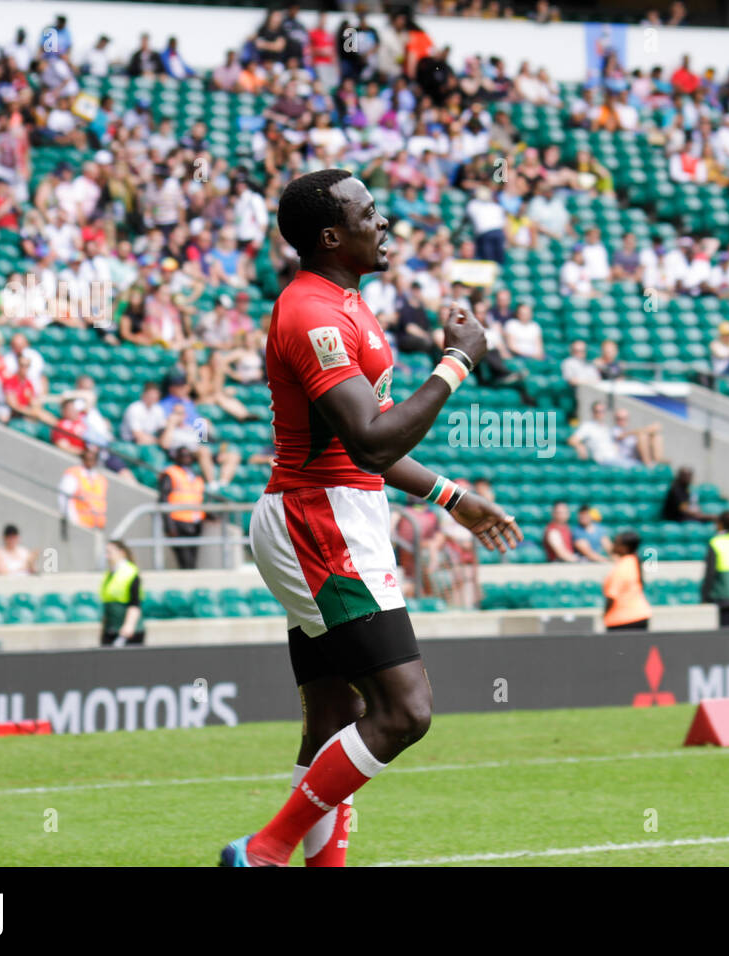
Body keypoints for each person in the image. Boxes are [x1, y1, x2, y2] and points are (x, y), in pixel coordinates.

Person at [225, 169, 519, 868]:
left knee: (334, 715)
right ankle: (264, 851)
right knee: (405, 710)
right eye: (369, 212)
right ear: (331, 234)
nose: (383, 223)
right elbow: (370, 440)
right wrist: (455, 364)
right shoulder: (312, 313)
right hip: (318, 520)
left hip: (332, 511)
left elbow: (370, 441)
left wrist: (452, 497)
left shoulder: (344, 302)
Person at [160, 445, 206, 569]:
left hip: (195, 522)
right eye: (183, 455)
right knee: (185, 560)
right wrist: (169, 525)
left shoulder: (195, 475)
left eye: (188, 455)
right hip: (178, 521)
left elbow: (199, 498)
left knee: (193, 560)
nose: (186, 458)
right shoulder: (171, 473)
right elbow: (163, 499)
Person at [100, 539, 145, 646]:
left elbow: (135, 603)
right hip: (111, 628)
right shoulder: (109, 574)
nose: (107, 556)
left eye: (110, 552)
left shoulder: (130, 572)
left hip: (126, 631)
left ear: (121, 552)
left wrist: (129, 625)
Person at [603, 530, 651, 631]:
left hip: (623, 619)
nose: (614, 545)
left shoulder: (622, 568)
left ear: (624, 548)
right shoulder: (633, 561)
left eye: (616, 543)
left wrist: (605, 614)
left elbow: (612, 596)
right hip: (639, 615)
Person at [59, 445, 109, 531]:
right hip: (79, 524)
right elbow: (64, 497)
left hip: (97, 526)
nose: (90, 459)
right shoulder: (74, 473)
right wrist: (72, 520)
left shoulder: (101, 479)